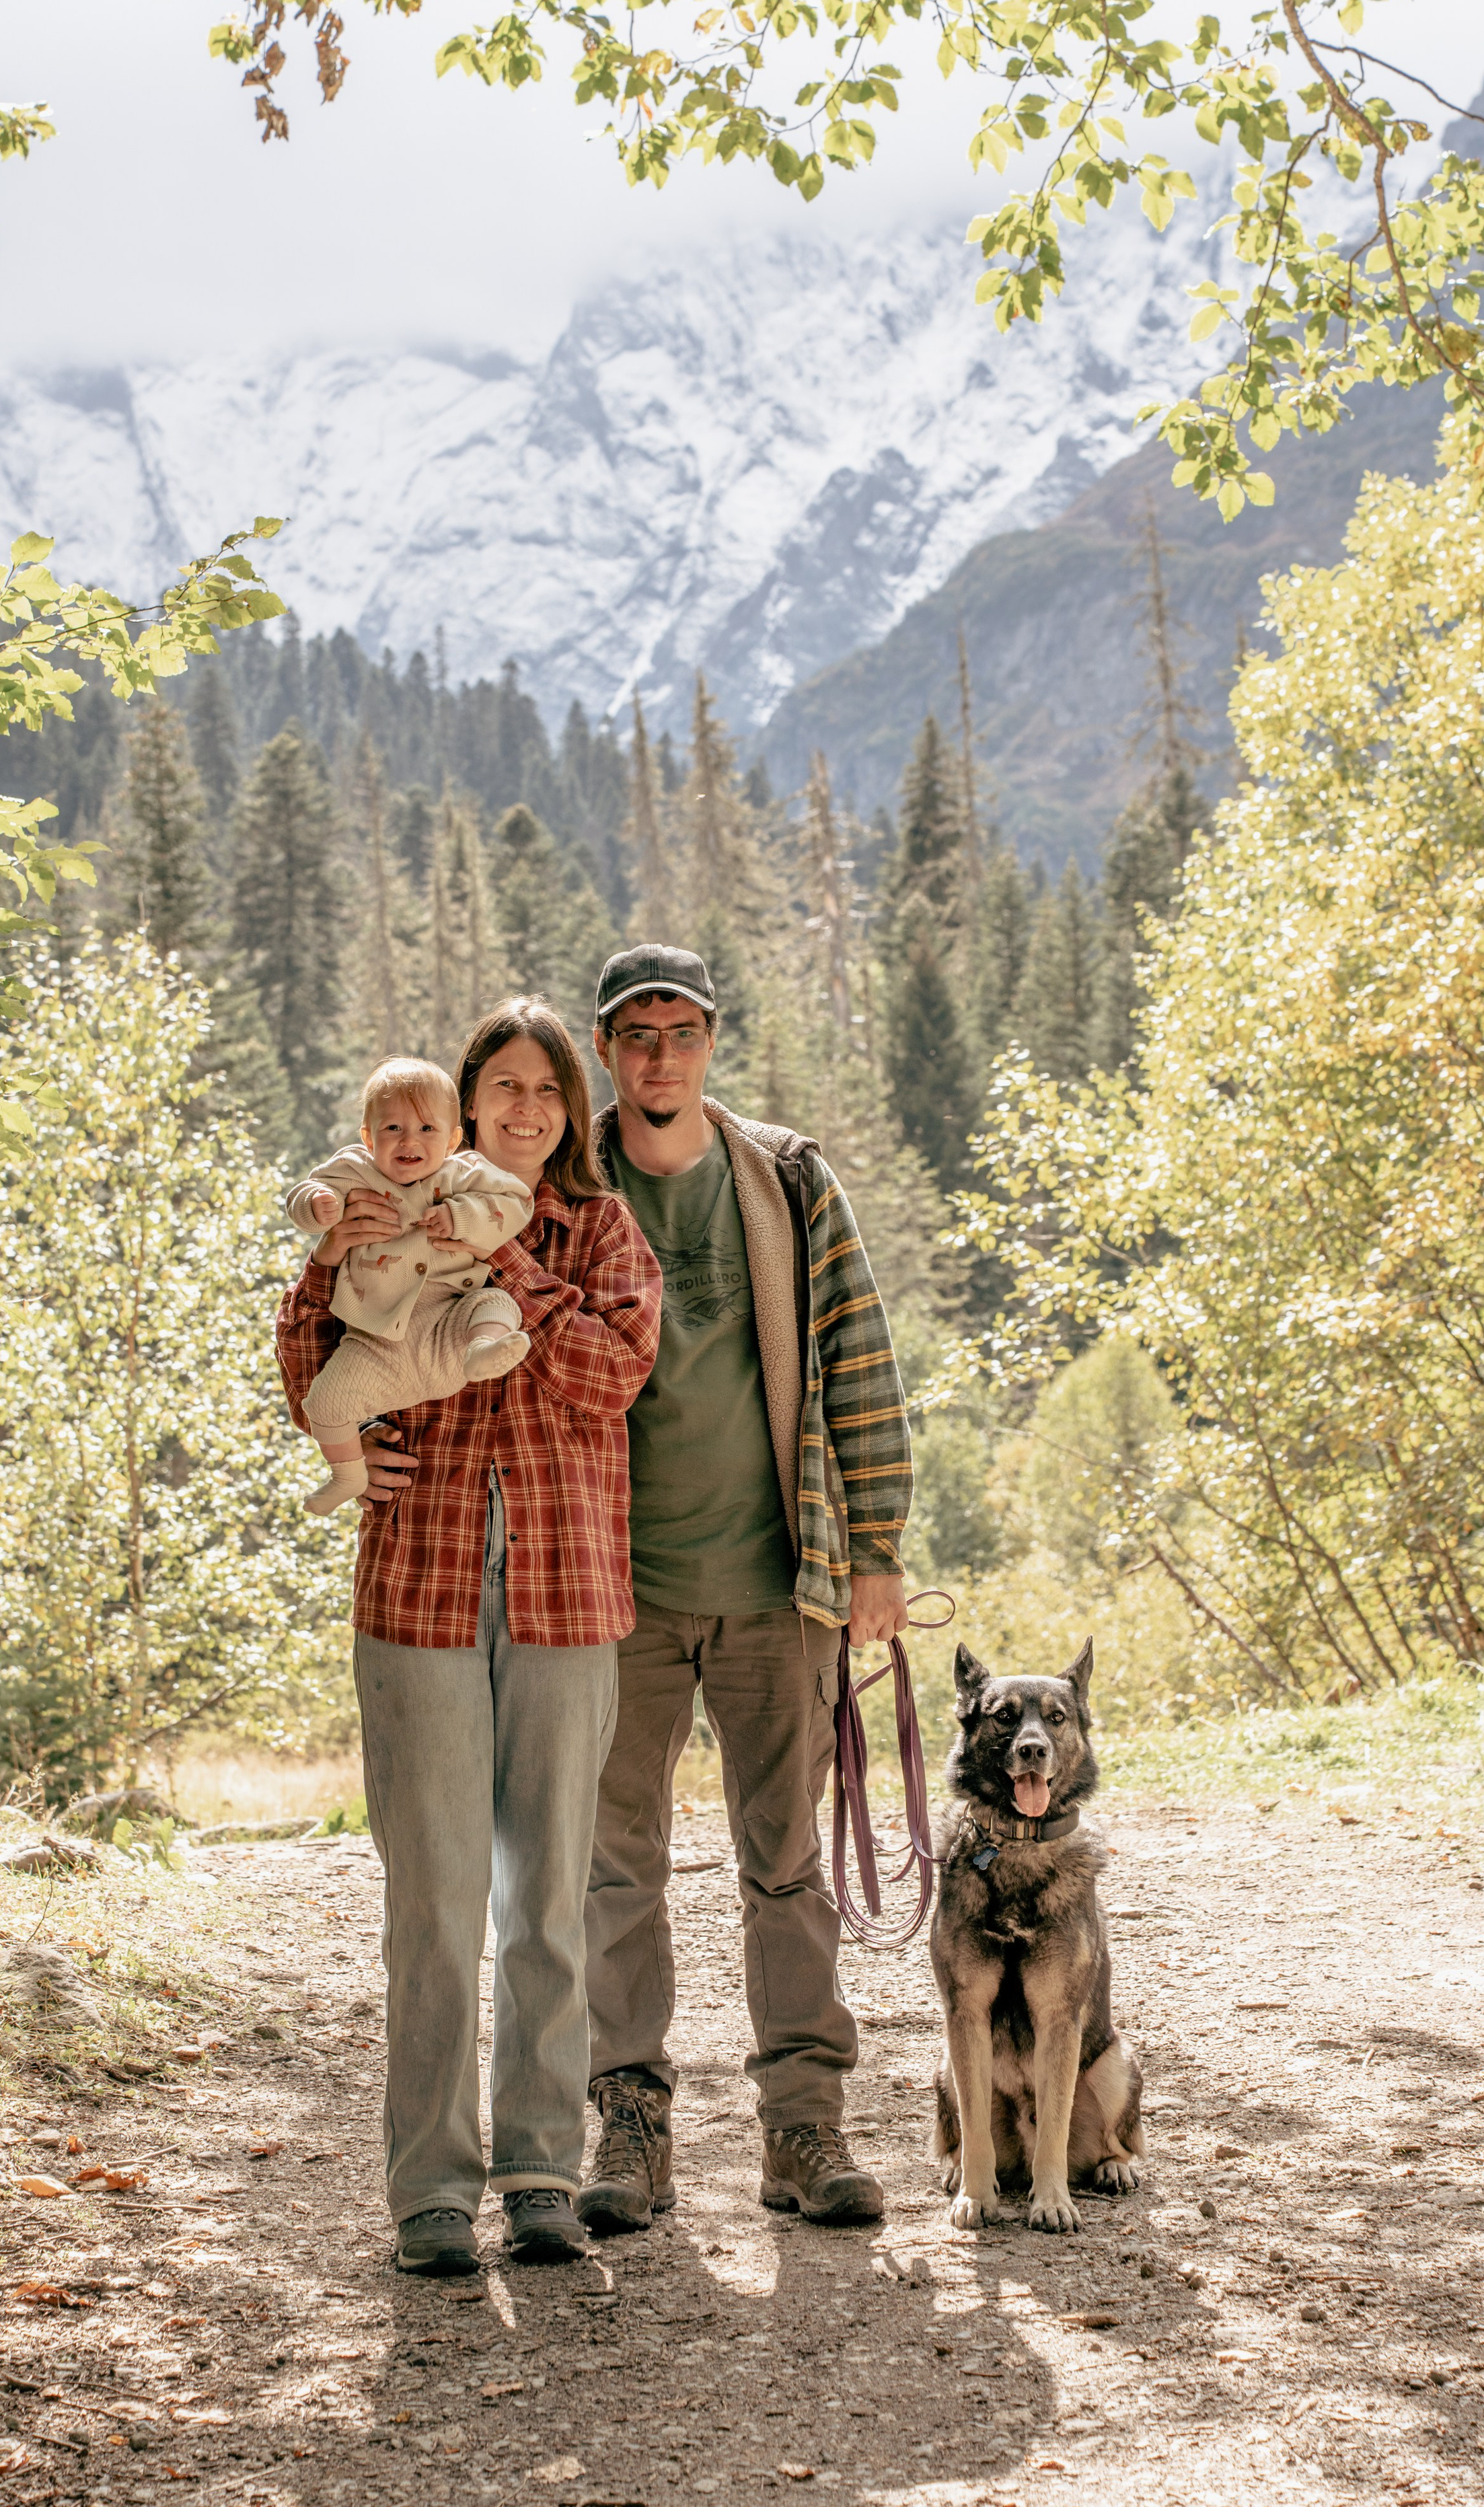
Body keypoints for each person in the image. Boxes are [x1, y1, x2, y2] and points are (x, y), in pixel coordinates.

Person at [274, 998, 662, 2276]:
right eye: (502, 1087)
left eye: (549, 1091)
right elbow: (304, 1335)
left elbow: (613, 1374)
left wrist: (510, 1269)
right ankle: (433, 2189)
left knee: (546, 1894)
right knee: (434, 1901)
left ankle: (542, 2170)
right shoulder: (396, 1198)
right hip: (420, 1588)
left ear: (571, 1109)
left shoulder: (598, 1227)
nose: (527, 1110)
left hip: (564, 1594)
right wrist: (349, 1437)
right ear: (464, 1102)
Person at [577, 943, 914, 2234]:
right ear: (607, 1053)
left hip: (782, 1583)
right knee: (619, 1870)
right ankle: (630, 2129)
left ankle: (803, 2131)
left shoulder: (785, 1179)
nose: (660, 1056)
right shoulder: (562, 1186)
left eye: (682, 1031)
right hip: (610, 1596)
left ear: (712, 1042)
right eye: (636, 1035)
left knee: (786, 1864)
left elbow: (861, 1363)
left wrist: (874, 1547)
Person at [284, 1054, 533, 1513]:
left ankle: (483, 1351)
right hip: (375, 1345)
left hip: (450, 1331)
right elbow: (303, 1193)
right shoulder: (356, 1171)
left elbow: (517, 1202)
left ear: (454, 1139)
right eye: (393, 1129)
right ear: (368, 1137)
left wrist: (462, 1218)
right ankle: (347, 1474)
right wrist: (317, 1206)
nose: (409, 1141)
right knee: (323, 1403)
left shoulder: (463, 1173)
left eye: (426, 1129)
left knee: (497, 1303)